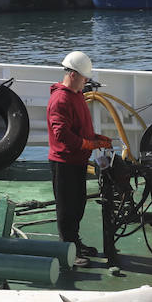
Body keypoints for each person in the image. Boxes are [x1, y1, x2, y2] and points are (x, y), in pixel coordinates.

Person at [47, 50, 113, 268]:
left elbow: (79, 128)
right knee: (66, 208)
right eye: (84, 77)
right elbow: (62, 134)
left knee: (77, 204)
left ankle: (74, 243)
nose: (86, 81)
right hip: (64, 162)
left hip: (76, 161)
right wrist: (87, 144)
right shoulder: (60, 99)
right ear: (73, 74)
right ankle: (67, 249)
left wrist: (95, 139)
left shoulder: (76, 96)